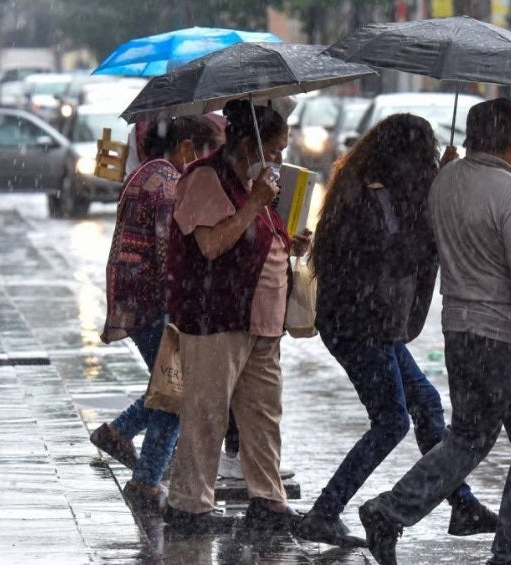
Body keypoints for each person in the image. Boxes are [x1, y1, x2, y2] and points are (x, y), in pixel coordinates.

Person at [358, 98, 511, 565]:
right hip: (509, 340)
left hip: (461, 335)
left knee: (467, 439)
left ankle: (390, 511)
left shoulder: (445, 183)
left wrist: (446, 173)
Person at [294, 114, 498, 547]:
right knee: (391, 422)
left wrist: (440, 182)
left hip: (372, 324)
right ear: (403, 156)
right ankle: (325, 512)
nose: (426, 162)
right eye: (423, 154)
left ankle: (461, 505)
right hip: (358, 325)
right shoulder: (369, 197)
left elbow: (404, 242)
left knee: (425, 403)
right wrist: (434, 214)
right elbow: (396, 256)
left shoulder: (381, 190)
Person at [162, 99, 311, 533]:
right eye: (277, 149)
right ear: (251, 143)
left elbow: (257, 235)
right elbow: (212, 245)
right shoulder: (207, 178)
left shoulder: (254, 182)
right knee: (206, 412)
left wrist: (288, 242)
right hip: (217, 316)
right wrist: (256, 202)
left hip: (262, 322)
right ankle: (189, 505)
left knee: (263, 416)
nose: (281, 157)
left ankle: (267, 499)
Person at [92, 115, 223, 513]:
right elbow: (172, 256)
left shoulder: (148, 172)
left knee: (170, 385)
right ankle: (146, 480)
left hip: (138, 300)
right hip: (153, 304)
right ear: (186, 148)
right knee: (177, 391)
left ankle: (119, 433)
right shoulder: (167, 184)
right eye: (206, 156)